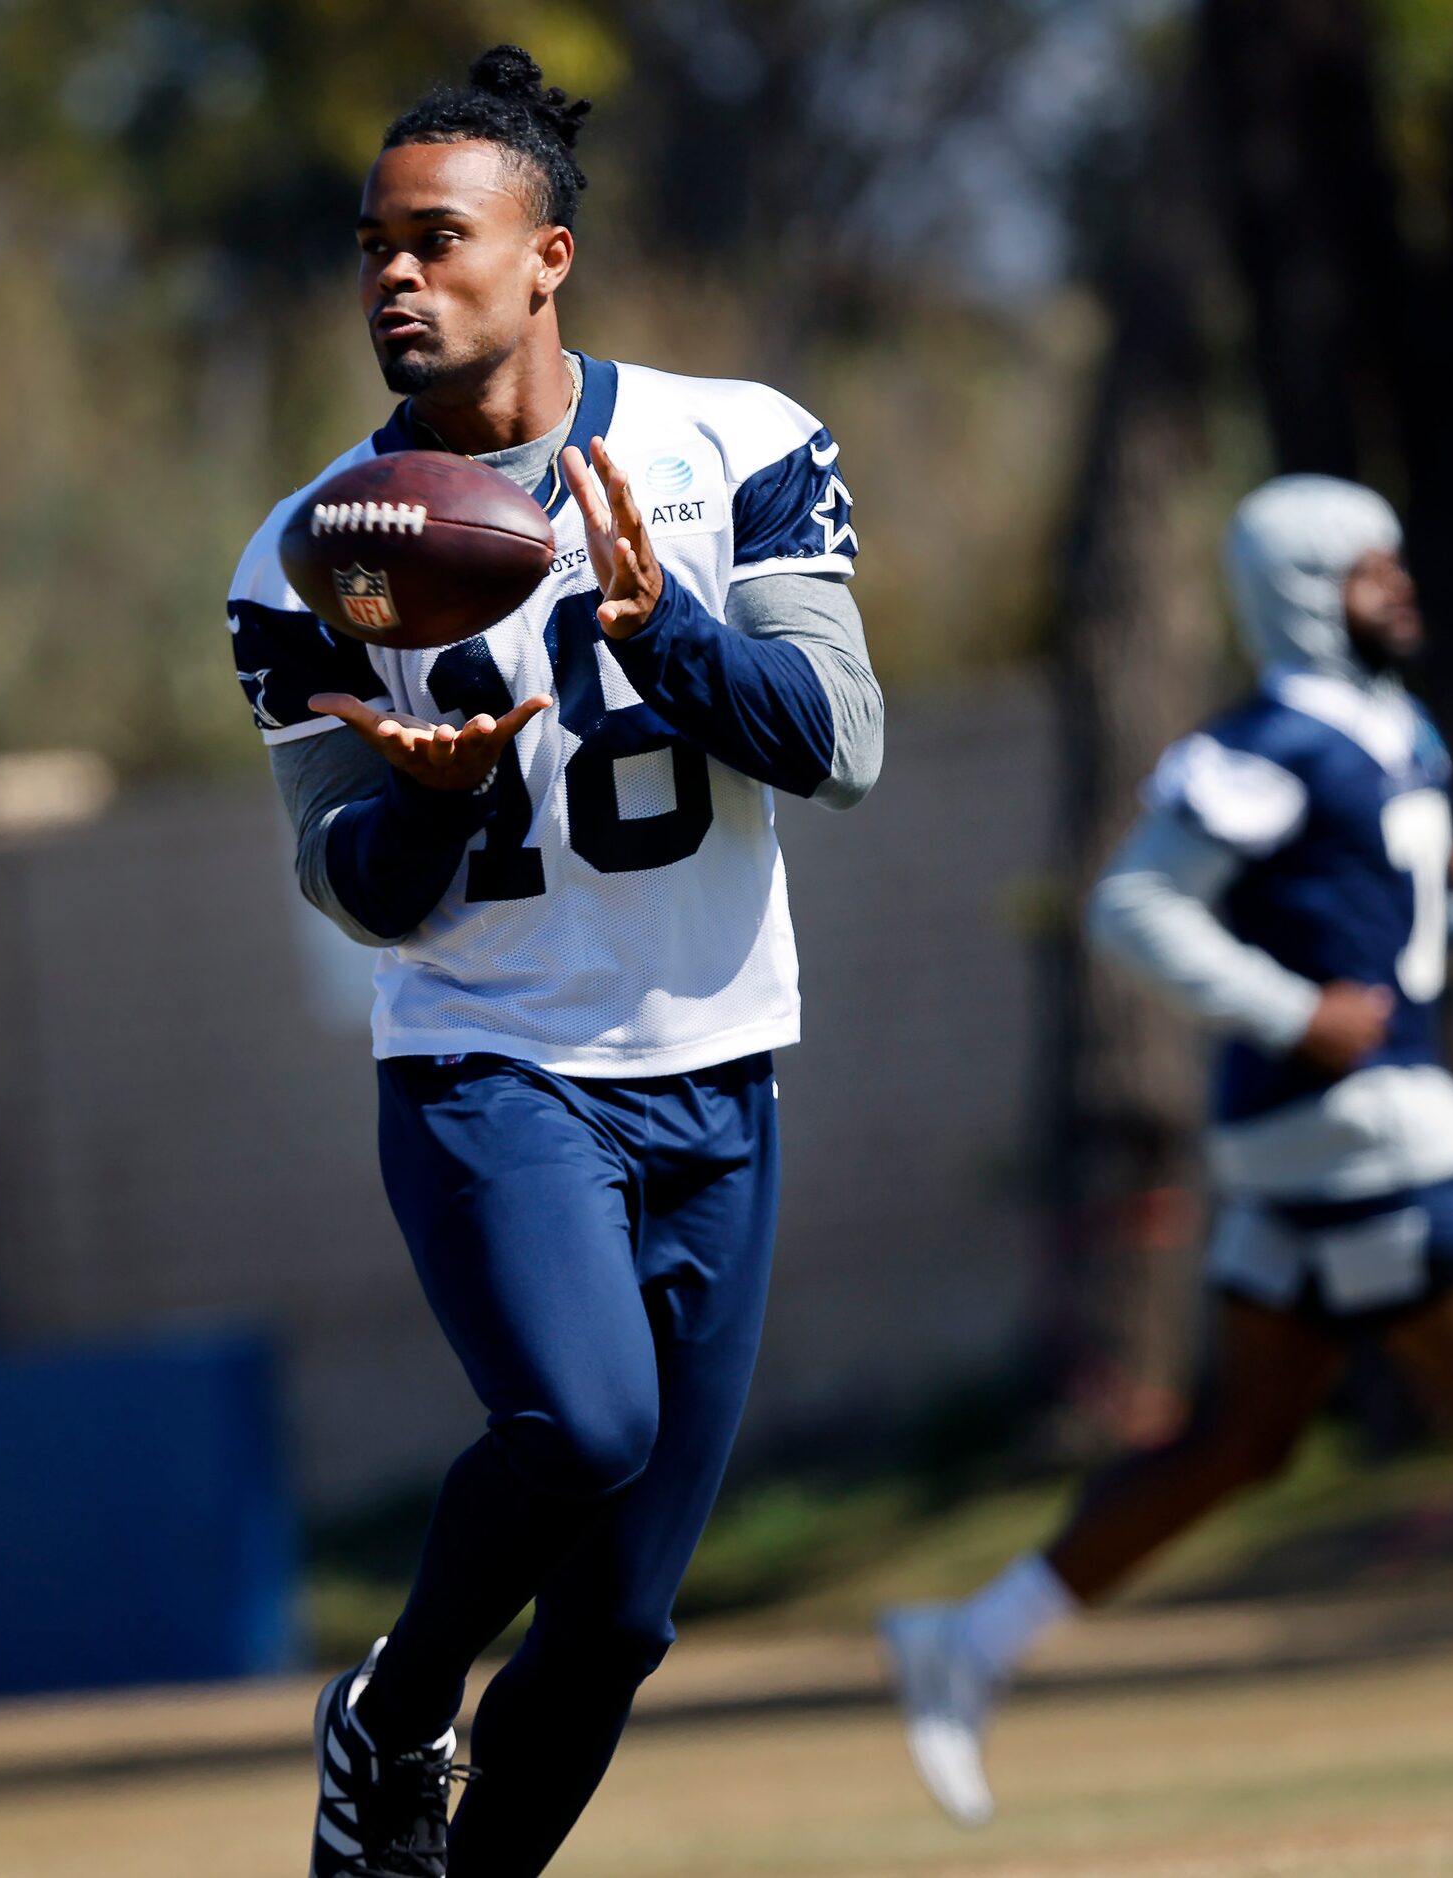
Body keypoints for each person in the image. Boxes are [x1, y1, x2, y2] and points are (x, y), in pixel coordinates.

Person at [878, 475, 1453, 1830]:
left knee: (1244, 1439)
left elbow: (1361, 882)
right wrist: (1288, 1008)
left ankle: (970, 1639)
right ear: (1309, 589)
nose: (1404, 589)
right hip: (1356, 1123)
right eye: (1376, 571)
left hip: (1333, 1135)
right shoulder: (1267, 742)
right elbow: (1136, 904)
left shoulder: (1390, 728)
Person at [225, 48, 883, 1878]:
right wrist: (426, 808)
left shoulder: (738, 444)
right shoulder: (312, 548)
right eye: (373, 246)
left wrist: (662, 628)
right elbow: (347, 884)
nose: (394, 279)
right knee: (583, 1418)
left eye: (438, 240)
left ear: (549, 258)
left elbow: (838, 739)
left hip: (721, 1067)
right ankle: (395, 1700)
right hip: (488, 1062)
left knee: (616, 1626)